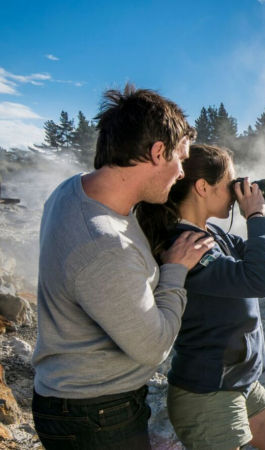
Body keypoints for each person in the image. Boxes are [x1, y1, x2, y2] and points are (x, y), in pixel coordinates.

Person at [32, 84, 215, 450]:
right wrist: (175, 269)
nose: (181, 172)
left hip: (76, 403)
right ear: (157, 151)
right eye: (180, 158)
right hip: (96, 413)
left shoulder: (74, 189)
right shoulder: (104, 245)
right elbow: (155, 346)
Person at [136, 144, 265, 450]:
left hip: (238, 381)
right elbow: (259, 280)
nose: (234, 190)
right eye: (230, 183)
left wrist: (256, 214)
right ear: (202, 187)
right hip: (208, 393)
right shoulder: (187, 246)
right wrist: (255, 214)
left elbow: (262, 256)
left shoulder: (212, 233)